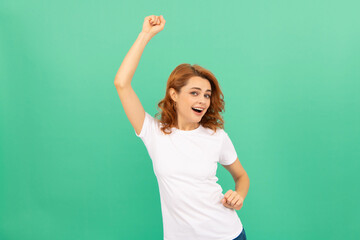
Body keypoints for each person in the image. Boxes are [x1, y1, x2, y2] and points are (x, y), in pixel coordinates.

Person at [114, 15, 249, 240]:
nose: (203, 100)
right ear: (173, 94)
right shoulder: (153, 132)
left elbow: (242, 176)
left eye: (207, 95)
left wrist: (239, 195)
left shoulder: (216, 136)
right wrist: (145, 35)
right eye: (194, 93)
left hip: (227, 234)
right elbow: (121, 83)